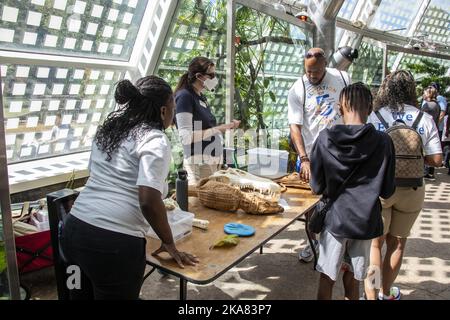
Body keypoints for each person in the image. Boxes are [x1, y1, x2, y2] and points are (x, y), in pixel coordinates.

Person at [60, 76, 199, 300]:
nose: (173, 118)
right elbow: (148, 198)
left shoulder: (108, 132)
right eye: (173, 109)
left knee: (78, 297)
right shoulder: (154, 139)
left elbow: (97, 176)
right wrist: (169, 242)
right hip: (112, 247)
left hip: (73, 232)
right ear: (163, 111)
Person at [310, 82, 396, 300]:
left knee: (327, 278)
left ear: (340, 108)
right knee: (354, 278)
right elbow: (387, 191)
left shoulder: (325, 138)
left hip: (335, 221)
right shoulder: (384, 142)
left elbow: (316, 187)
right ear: (370, 108)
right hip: (365, 223)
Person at [365, 70, 443, 300]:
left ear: (386, 89)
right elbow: (437, 160)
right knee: (397, 244)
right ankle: (386, 293)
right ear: (412, 90)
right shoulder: (423, 118)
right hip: (411, 189)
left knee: (375, 245)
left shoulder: (375, 116)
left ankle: (370, 294)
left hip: (379, 188)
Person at [287, 47, 351, 262]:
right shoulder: (298, 87)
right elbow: (294, 126)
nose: (312, 76)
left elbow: (353, 109)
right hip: (311, 154)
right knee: (309, 203)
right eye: (308, 72)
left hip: (340, 153)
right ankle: (311, 241)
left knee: (338, 200)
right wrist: (304, 158)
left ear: (325, 65)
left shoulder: (342, 78)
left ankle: (334, 243)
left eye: (316, 71)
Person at [175, 57, 240, 185]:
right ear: (199, 76)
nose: (214, 78)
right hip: (199, 162)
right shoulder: (185, 96)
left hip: (212, 161)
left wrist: (227, 127)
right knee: (199, 203)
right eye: (211, 75)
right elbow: (186, 137)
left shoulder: (200, 96)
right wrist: (220, 128)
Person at [422, 86, 441, 180]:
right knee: (432, 150)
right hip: (434, 129)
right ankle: (430, 173)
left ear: (429, 94)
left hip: (426, 130)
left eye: (424, 93)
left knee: (425, 151)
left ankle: (426, 172)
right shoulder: (437, 105)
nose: (423, 95)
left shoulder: (428, 105)